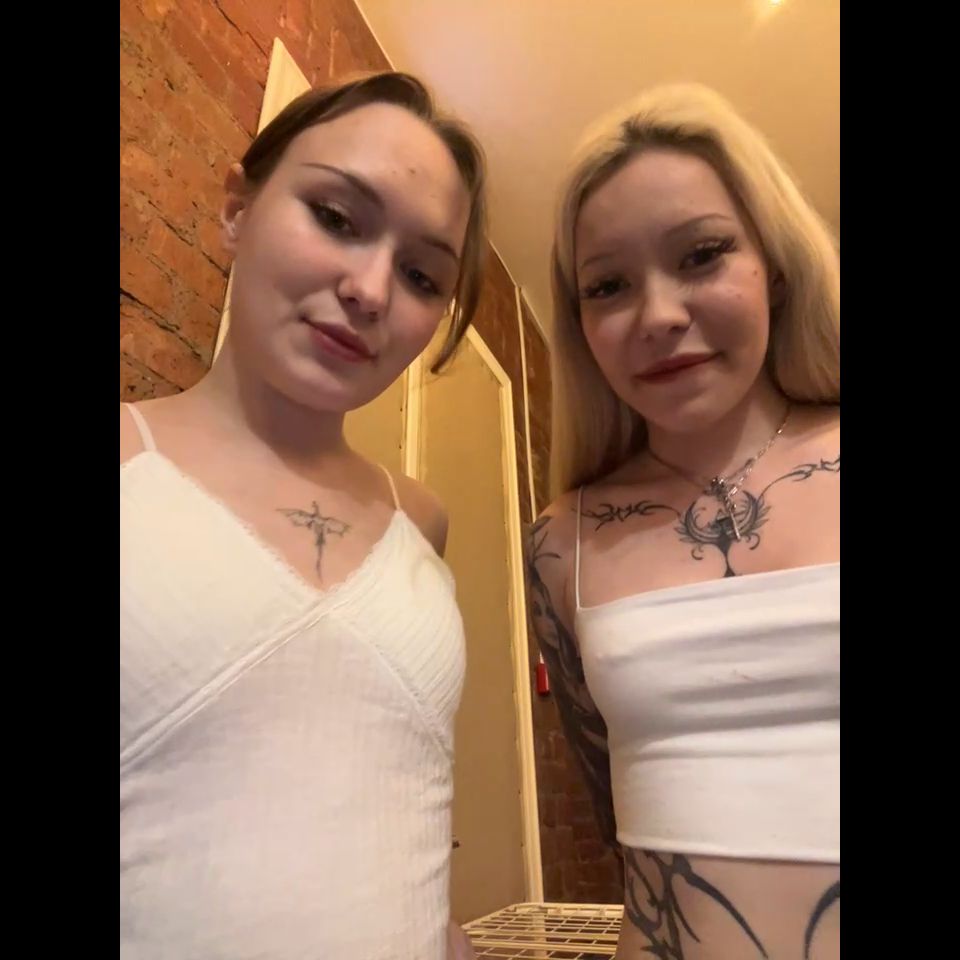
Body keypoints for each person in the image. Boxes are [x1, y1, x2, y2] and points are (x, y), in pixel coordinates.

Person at [120, 72, 486, 959]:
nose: (371, 290)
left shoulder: (421, 522)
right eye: (336, 217)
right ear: (237, 209)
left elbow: (398, 807)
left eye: (422, 274)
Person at [527, 83, 839, 959]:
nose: (659, 316)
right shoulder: (561, 544)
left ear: (775, 267)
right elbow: (618, 831)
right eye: (608, 285)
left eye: (701, 255)